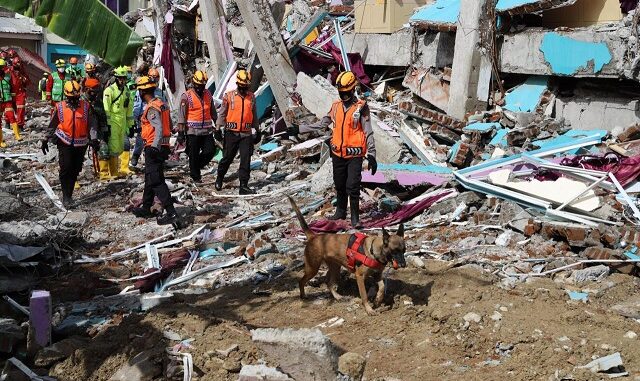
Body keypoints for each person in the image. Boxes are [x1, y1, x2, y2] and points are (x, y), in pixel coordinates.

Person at [288, 71, 377, 227]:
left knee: (352, 186)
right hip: (337, 154)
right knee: (339, 184)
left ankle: (355, 218)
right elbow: (322, 124)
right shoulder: (335, 106)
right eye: (340, 92)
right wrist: (299, 129)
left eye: (345, 92)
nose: (343, 95)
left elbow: (368, 131)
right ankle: (340, 212)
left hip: (354, 155)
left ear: (352, 89)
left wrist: (372, 155)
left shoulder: (361, 108)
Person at [40, 81, 99, 208]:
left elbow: (92, 124)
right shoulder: (60, 107)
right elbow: (53, 124)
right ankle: (66, 196)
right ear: (67, 96)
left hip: (81, 143)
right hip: (64, 140)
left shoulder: (86, 106)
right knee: (66, 168)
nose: (74, 100)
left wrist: (94, 139)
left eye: (76, 97)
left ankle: (69, 195)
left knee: (75, 169)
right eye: (71, 98)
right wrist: (46, 138)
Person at [130, 76, 177, 225]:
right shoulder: (162, 104)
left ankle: (171, 212)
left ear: (143, 92)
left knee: (156, 180)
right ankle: (146, 206)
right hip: (162, 146)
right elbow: (169, 124)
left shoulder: (151, 108)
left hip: (154, 147)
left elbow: (159, 128)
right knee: (150, 178)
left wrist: (154, 147)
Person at [215, 69, 262, 195]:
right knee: (227, 157)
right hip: (231, 132)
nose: (244, 88)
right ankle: (220, 177)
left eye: (246, 86)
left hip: (246, 134)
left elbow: (254, 114)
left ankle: (243, 185)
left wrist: (258, 130)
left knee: (246, 159)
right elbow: (222, 113)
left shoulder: (251, 97)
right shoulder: (229, 96)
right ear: (238, 84)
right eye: (242, 86)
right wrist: (217, 129)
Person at [177, 71, 217, 183]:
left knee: (210, 151)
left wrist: (217, 126)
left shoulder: (208, 94)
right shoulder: (187, 96)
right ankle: (195, 176)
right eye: (198, 85)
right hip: (192, 131)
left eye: (203, 85)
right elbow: (182, 115)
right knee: (193, 154)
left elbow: (213, 111)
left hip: (206, 131)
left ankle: (194, 167)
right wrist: (181, 133)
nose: (200, 88)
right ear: (194, 84)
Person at [130, 67, 166, 168]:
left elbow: (164, 105)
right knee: (141, 139)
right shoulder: (141, 91)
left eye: (156, 78)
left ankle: (155, 159)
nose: (154, 80)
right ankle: (136, 157)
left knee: (157, 137)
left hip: (156, 118)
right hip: (145, 117)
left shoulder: (160, 92)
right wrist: (137, 119)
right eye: (152, 78)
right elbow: (137, 106)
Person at [103, 66, 133, 178]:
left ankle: (122, 168)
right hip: (113, 122)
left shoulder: (126, 91)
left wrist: (131, 125)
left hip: (123, 122)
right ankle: (113, 172)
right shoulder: (109, 91)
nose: (122, 80)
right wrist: (108, 125)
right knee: (114, 146)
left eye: (124, 78)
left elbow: (129, 109)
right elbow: (106, 109)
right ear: (116, 78)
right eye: (120, 78)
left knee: (122, 145)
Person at [83, 78, 111, 180]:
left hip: (96, 131)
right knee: (77, 156)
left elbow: (102, 116)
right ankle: (74, 179)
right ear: (87, 89)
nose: (96, 93)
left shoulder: (99, 102)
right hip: (82, 132)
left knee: (104, 149)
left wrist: (105, 130)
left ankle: (103, 174)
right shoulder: (81, 101)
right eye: (93, 90)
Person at [0, 58, 18, 148]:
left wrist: (13, 98)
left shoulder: (8, 75)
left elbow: (13, 86)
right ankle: (0, 141)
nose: (1, 68)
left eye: (2, 67)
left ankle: (17, 135)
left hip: (7, 100)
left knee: (11, 116)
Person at [9, 57, 29, 135]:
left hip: (20, 93)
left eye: (19, 63)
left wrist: (25, 80)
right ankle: (7, 123)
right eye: (17, 63)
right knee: (9, 109)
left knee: (21, 109)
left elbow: (28, 82)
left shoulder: (22, 72)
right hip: (10, 93)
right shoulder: (9, 70)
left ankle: (20, 125)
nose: (19, 65)